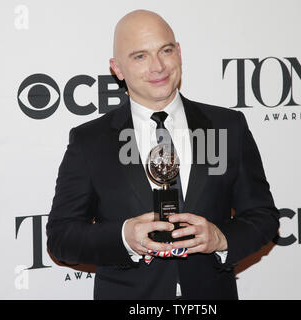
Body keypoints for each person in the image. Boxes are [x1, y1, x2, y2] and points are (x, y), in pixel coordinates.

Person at [46, 9, 279, 300]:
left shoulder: (227, 126)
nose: (158, 66)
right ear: (117, 69)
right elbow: (61, 238)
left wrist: (221, 238)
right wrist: (124, 237)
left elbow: (263, 216)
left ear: (179, 52)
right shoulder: (90, 141)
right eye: (140, 56)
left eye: (165, 50)